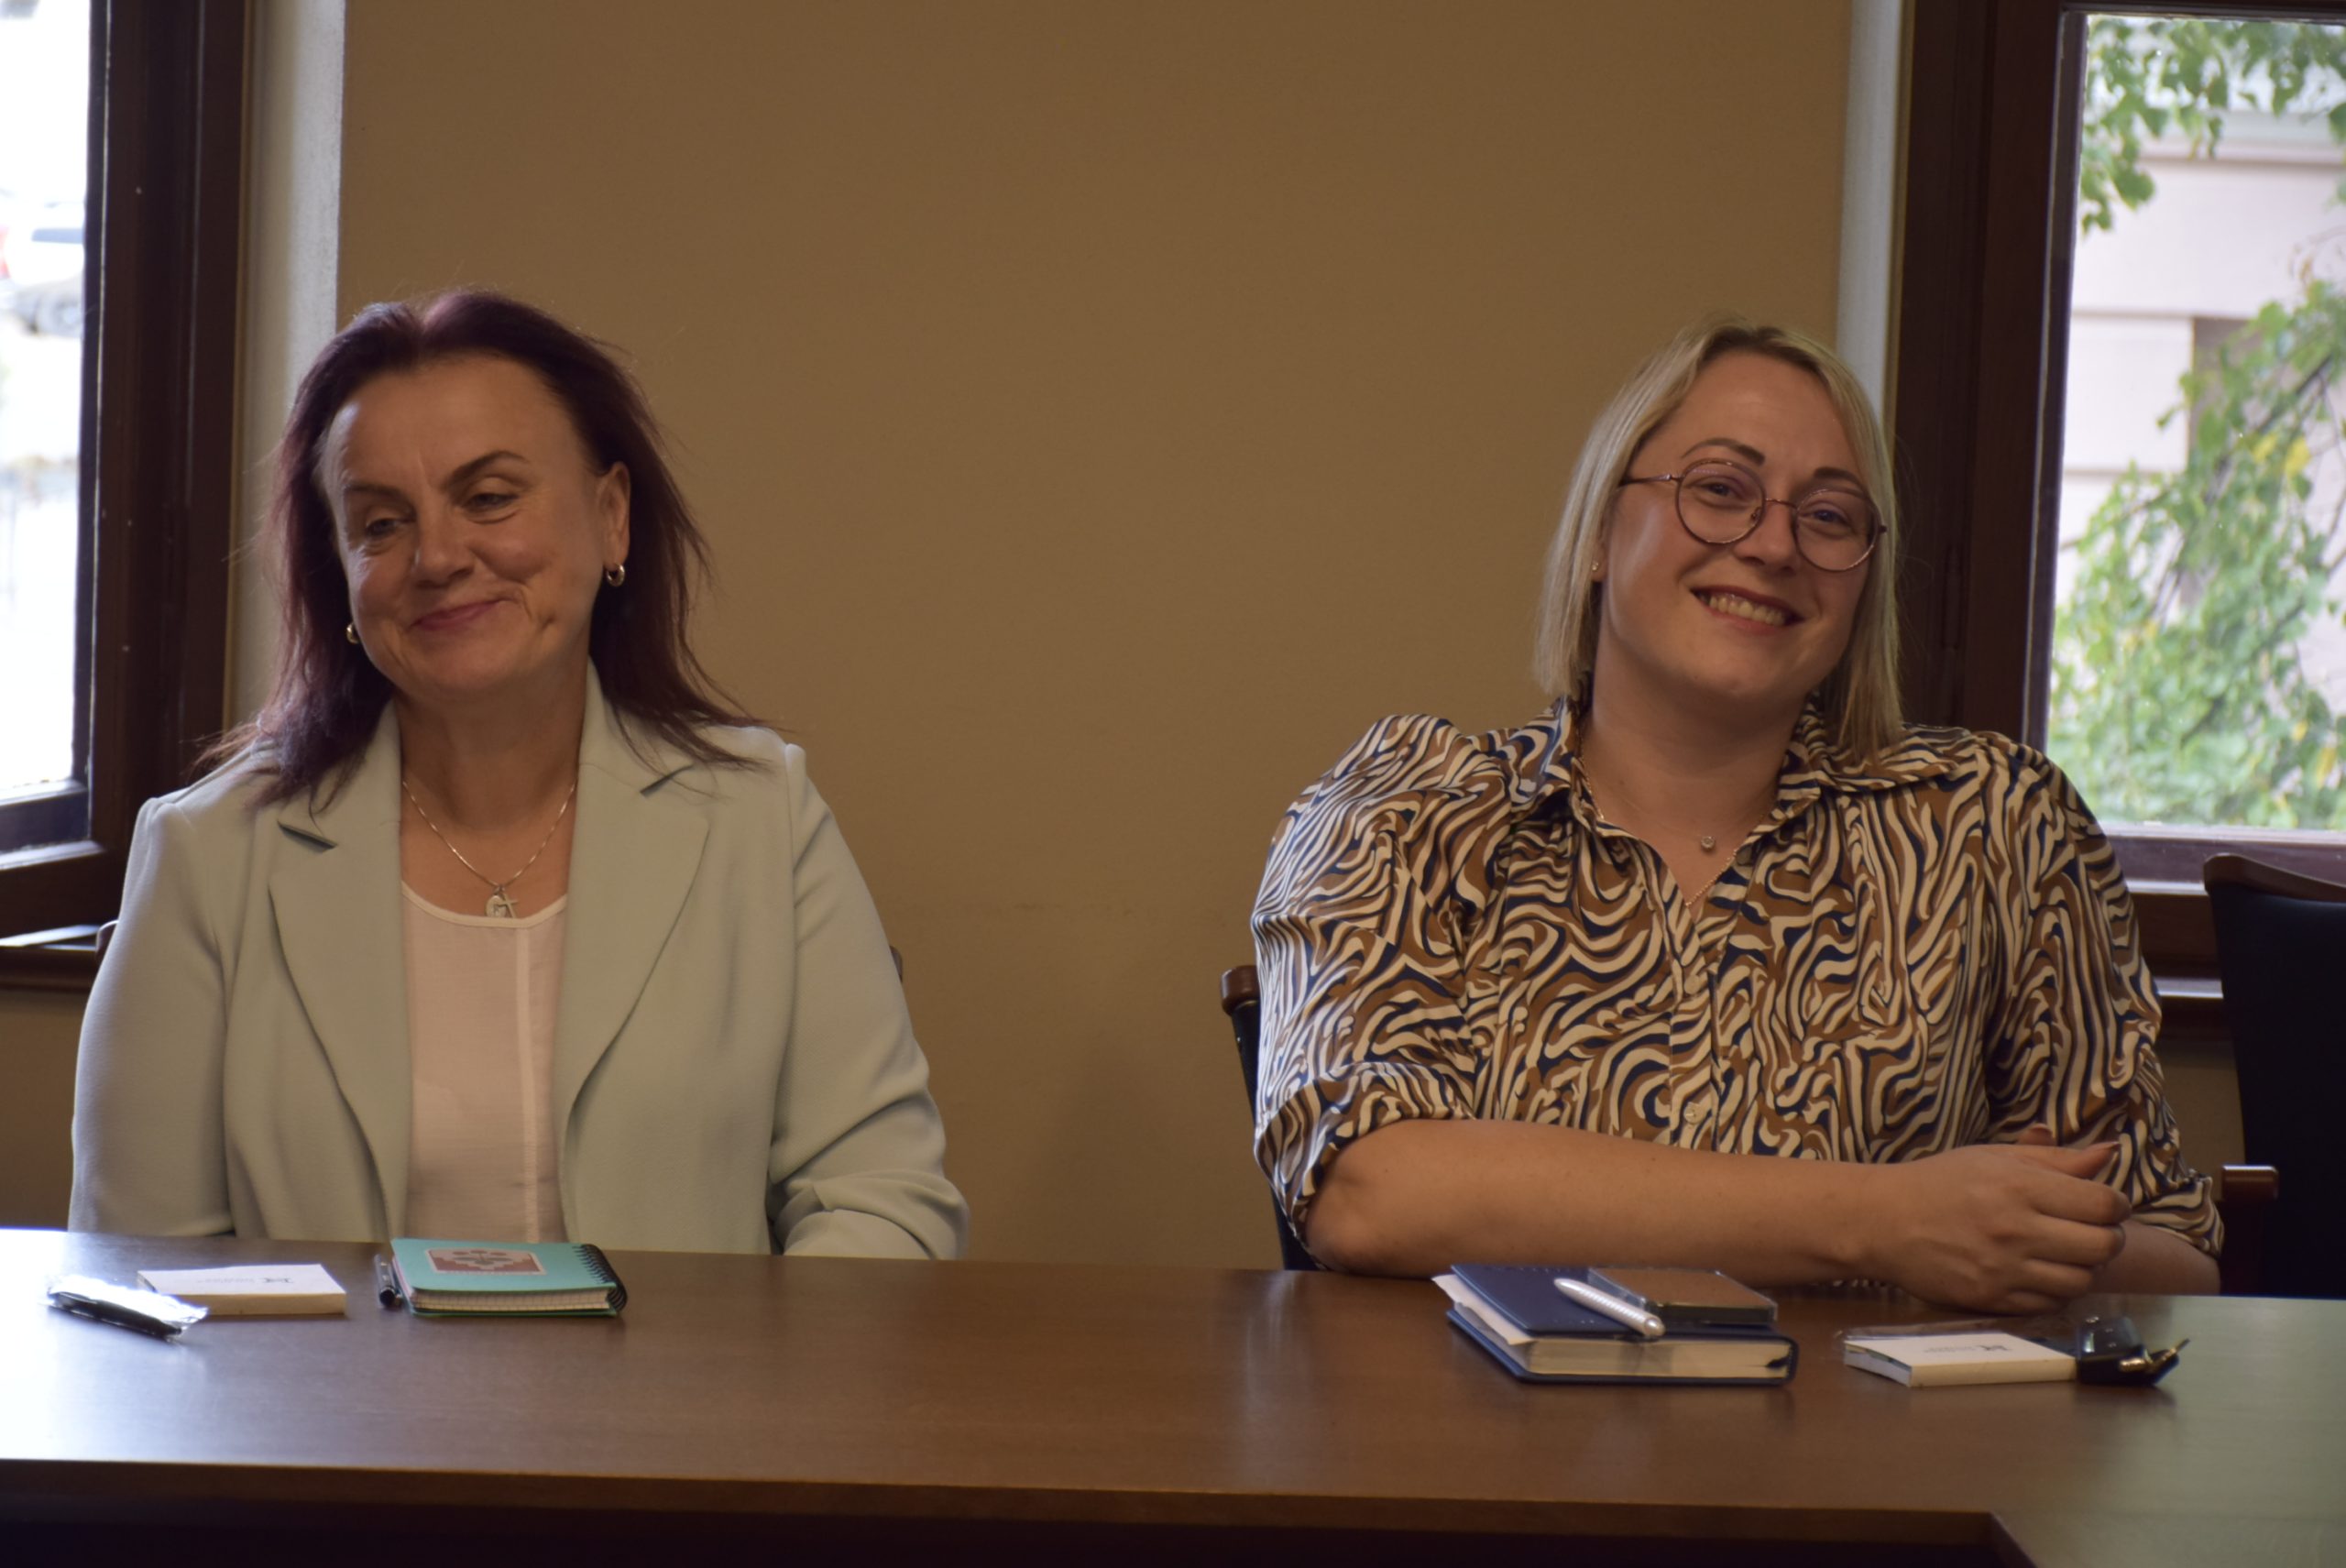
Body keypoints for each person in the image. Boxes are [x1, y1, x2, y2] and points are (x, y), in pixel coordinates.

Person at [1251, 316, 2219, 1312]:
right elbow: (1365, 1187)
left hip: (1865, 1419)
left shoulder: (1992, 825)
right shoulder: (1408, 811)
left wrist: (2034, 1239)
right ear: (1598, 533)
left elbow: (2174, 1252)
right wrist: (1886, 1221)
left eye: (1830, 516)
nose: (1773, 544)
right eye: (1720, 489)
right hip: (1476, 1414)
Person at [71, 290, 966, 1258]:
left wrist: (725, 1366)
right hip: (324, 1372)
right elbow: (141, 1268)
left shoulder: (763, 817)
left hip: (695, 1370)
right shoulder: (209, 854)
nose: (438, 557)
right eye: (381, 524)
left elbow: (882, 1205)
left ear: (611, 518)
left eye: (489, 497)